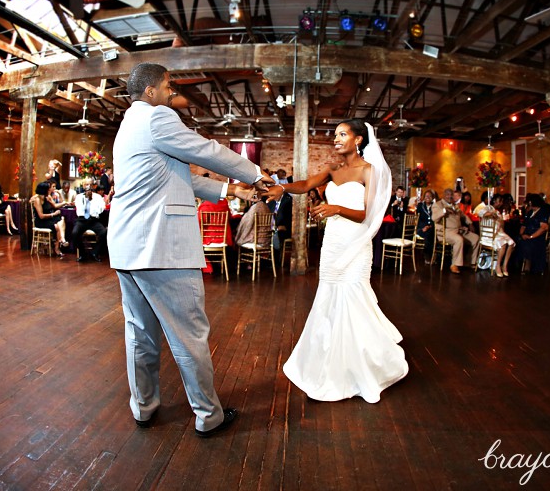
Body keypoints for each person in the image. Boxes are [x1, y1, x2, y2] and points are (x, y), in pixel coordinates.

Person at [107, 62, 271, 437]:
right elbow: (206, 151)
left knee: (140, 335)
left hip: (129, 248)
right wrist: (256, 175)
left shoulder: (127, 126)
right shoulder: (156, 118)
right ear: (150, 91)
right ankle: (208, 415)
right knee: (189, 335)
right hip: (162, 248)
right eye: (166, 85)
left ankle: (144, 407)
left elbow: (179, 178)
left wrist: (232, 191)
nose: (171, 91)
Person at [267, 119, 407, 403]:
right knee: (330, 299)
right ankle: (332, 361)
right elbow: (306, 184)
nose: (336, 138)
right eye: (335, 134)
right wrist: (283, 189)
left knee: (353, 297)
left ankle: (366, 365)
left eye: (343, 134)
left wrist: (336, 208)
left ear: (358, 140)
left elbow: (367, 215)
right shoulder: (333, 170)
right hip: (332, 245)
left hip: (356, 243)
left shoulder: (370, 170)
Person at [432, 188, 480, 274]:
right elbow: (434, 218)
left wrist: (470, 223)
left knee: (475, 238)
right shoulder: (438, 205)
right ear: (444, 195)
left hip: (458, 230)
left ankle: (470, 262)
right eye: (447, 194)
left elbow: (463, 215)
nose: (449, 196)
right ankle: (454, 264)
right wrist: (444, 210)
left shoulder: (455, 205)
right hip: (445, 232)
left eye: (451, 195)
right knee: (459, 239)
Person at [475, 194, 515, 277]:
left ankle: (504, 265)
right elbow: (480, 213)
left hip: (498, 233)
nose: (501, 203)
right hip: (488, 234)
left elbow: (501, 226)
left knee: (511, 243)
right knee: (503, 244)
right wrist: (490, 213)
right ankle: (497, 266)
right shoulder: (488, 208)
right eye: (499, 201)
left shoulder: (498, 212)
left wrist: (500, 220)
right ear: (494, 201)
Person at [70, 177, 106, 262]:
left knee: (103, 232)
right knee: (74, 233)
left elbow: (101, 209)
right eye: (86, 184)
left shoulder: (98, 197)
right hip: (82, 220)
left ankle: (95, 253)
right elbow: (79, 210)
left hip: (93, 220)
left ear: (93, 186)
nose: (88, 186)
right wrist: (86, 199)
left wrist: (91, 200)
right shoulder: (79, 197)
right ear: (83, 186)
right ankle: (82, 254)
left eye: (90, 184)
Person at [516, 194, 549, 275]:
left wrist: (531, 236)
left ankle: (528, 264)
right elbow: (524, 225)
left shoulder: (542, 212)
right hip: (526, 234)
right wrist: (522, 234)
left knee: (528, 243)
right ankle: (516, 263)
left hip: (537, 236)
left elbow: (543, 228)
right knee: (516, 240)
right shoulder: (530, 212)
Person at [31, 181, 66, 257]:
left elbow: (55, 206)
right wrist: (53, 214)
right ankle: (57, 247)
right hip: (41, 221)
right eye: (48, 189)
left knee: (61, 219)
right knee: (57, 226)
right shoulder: (37, 200)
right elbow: (41, 216)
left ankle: (62, 240)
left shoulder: (48, 197)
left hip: (49, 218)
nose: (50, 190)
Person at [414, 189, 435, 259]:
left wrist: (429, 226)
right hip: (421, 228)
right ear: (424, 197)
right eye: (426, 196)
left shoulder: (435, 206)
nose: (428, 197)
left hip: (431, 228)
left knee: (431, 233)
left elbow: (435, 218)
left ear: (432, 198)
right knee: (428, 234)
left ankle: (432, 255)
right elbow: (418, 219)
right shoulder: (420, 206)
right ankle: (428, 256)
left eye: (430, 196)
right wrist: (424, 227)